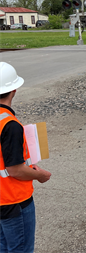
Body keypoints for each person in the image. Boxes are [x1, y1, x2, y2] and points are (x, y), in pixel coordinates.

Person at [0, 62, 52, 252]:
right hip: (14, 201)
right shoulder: (10, 125)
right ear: (13, 89)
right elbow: (14, 170)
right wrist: (40, 175)